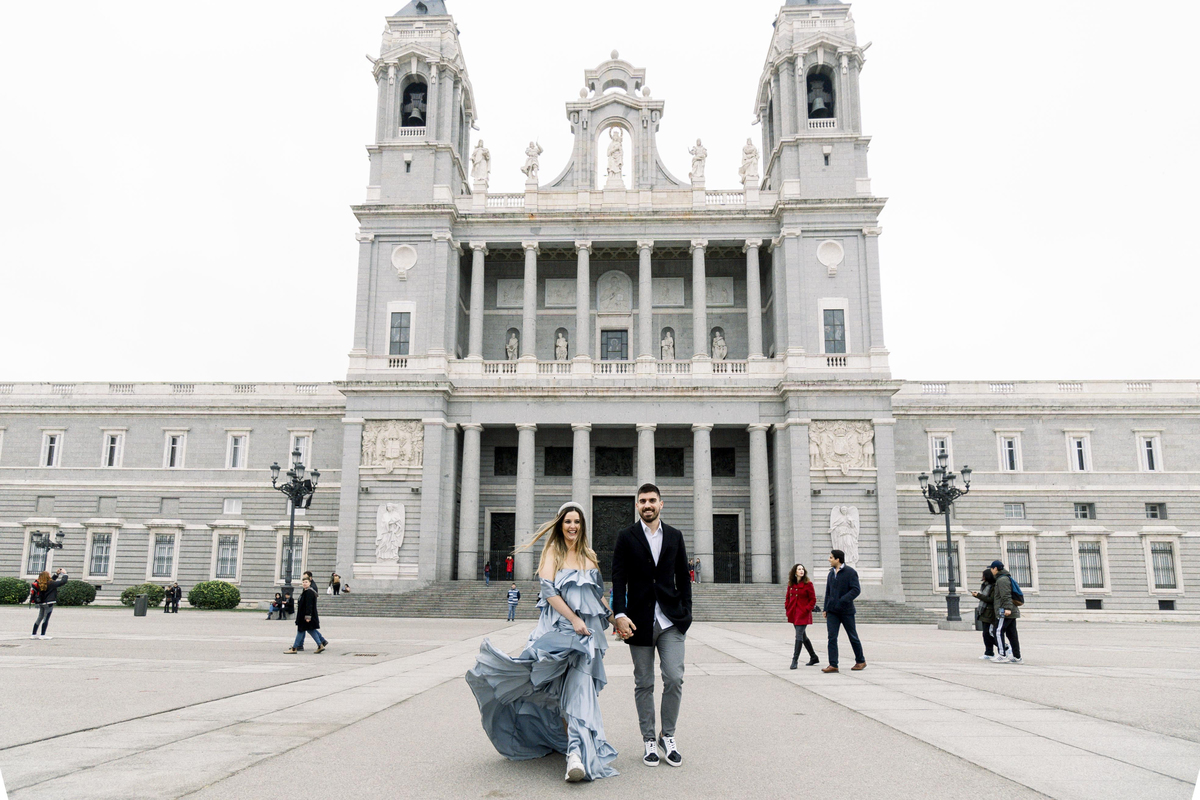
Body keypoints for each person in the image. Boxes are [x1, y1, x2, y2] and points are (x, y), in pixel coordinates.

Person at [466, 501, 618, 783]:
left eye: (577, 522)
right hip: (560, 632)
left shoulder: (589, 556)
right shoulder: (553, 553)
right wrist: (573, 619)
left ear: (582, 526)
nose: (572, 526)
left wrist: (614, 619)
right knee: (565, 692)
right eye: (567, 521)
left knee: (578, 689)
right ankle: (573, 750)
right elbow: (549, 592)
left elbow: (597, 597)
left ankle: (575, 754)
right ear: (560, 525)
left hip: (586, 636)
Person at [611, 483, 691, 769]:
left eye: (652, 500)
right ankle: (648, 740)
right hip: (638, 621)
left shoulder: (675, 536)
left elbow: (684, 576)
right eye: (642, 501)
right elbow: (618, 579)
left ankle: (667, 735)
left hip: (670, 621)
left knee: (674, 678)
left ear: (661, 504)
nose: (647, 505)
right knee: (643, 682)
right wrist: (619, 613)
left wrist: (686, 616)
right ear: (637, 505)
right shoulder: (626, 537)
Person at [822, 549, 866, 673]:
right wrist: (826, 608)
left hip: (846, 611)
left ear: (838, 559)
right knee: (831, 637)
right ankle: (833, 664)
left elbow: (856, 590)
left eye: (831, 557)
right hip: (832, 612)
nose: (829, 560)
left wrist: (842, 600)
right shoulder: (831, 573)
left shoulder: (850, 572)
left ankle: (861, 661)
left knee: (852, 636)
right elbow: (828, 592)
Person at [785, 564, 819, 669]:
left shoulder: (808, 584)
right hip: (794, 613)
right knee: (803, 636)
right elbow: (787, 598)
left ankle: (794, 660)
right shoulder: (791, 584)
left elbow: (813, 599)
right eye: (799, 569)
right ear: (795, 572)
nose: (801, 571)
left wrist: (806, 609)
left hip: (803, 614)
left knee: (798, 635)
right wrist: (787, 607)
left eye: (802, 569)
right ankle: (814, 657)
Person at [991, 560, 1023, 664]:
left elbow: (1006, 595)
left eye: (991, 568)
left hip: (1005, 611)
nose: (991, 571)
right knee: (1012, 634)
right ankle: (1017, 657)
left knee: (998, 631)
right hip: (1010, 610)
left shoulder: (1002, 580)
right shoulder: (1005, 577)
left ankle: (1002, 654)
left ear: (995, 568)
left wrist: (1007, 608)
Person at [286, 578, 330, 654]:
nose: (304, 583)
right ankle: (320, 645)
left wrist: (308, 616)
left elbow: (309, 605)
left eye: (306, 582)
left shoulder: (309, 592)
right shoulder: (306, 592)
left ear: (310, 583)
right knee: (310, 630)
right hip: (304, 615)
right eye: (303, 582)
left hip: (305, 616)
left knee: (301, 631)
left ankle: (294, 648)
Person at [29, 569, 68, 640]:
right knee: (46, 618)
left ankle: (33, 634)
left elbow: (51, 581)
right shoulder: (50, 584)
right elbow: (63, 582)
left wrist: (56, 574)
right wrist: (65, 574)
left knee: (39, 618)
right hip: (49, 603)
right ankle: (43, 635)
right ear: (47, 577)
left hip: (41, 602)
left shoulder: (39, 583)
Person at [970, 568, 999, 660]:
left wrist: (978, 595)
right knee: (985, 634)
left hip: (990, 612)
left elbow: (991, 599)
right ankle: (989, 652)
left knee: (989, 633)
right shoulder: (985, 585)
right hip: (984, 611)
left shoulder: (993, 586)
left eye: (983, 575)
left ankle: (1005, 647)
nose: (982, 578)